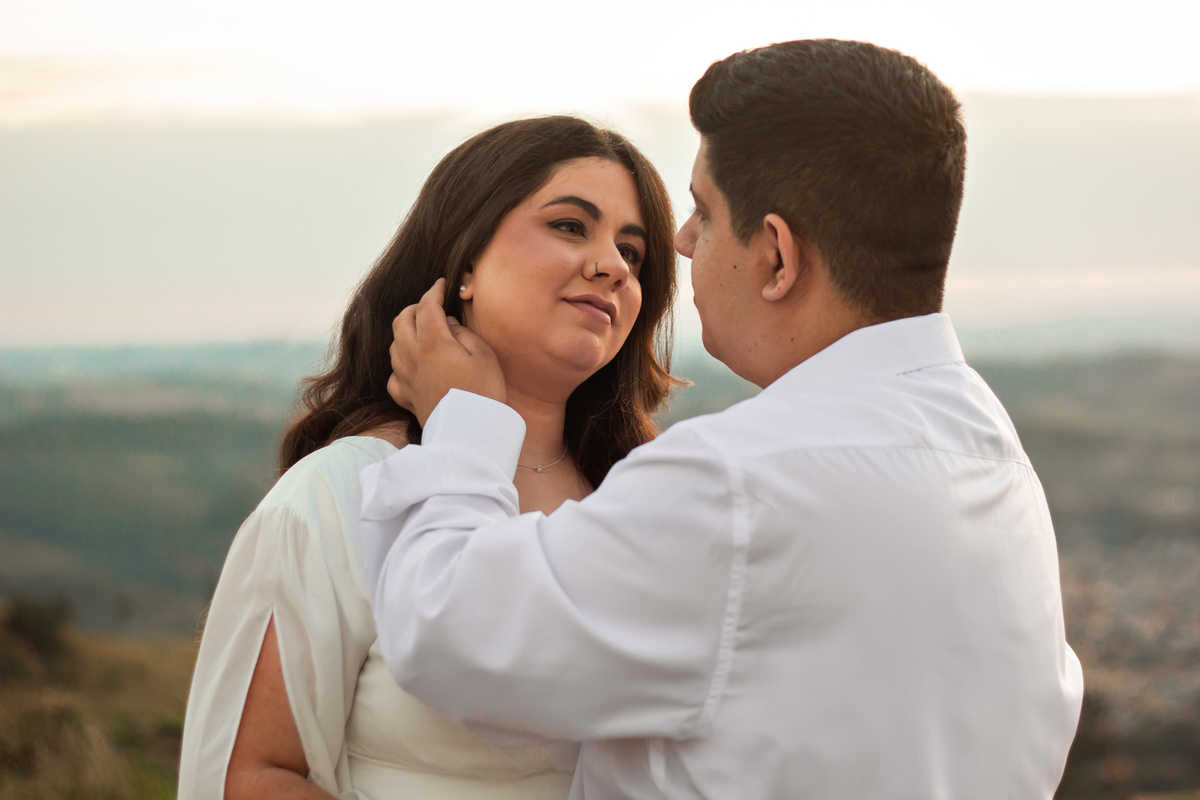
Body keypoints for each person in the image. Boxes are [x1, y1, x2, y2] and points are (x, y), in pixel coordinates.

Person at [360, 39, 1085, 799]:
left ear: (777, 257)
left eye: (703, 213)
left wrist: (465, 421)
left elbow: (448, 634)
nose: (678, 243)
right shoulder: (1001, 470)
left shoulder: (737, 484)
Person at [176, 115, 679, 799]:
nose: (612, 266)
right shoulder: (339, 493)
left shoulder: (649, 500)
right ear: (465, 260)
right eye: (570, 226)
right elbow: (248, 779)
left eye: (633, 252)